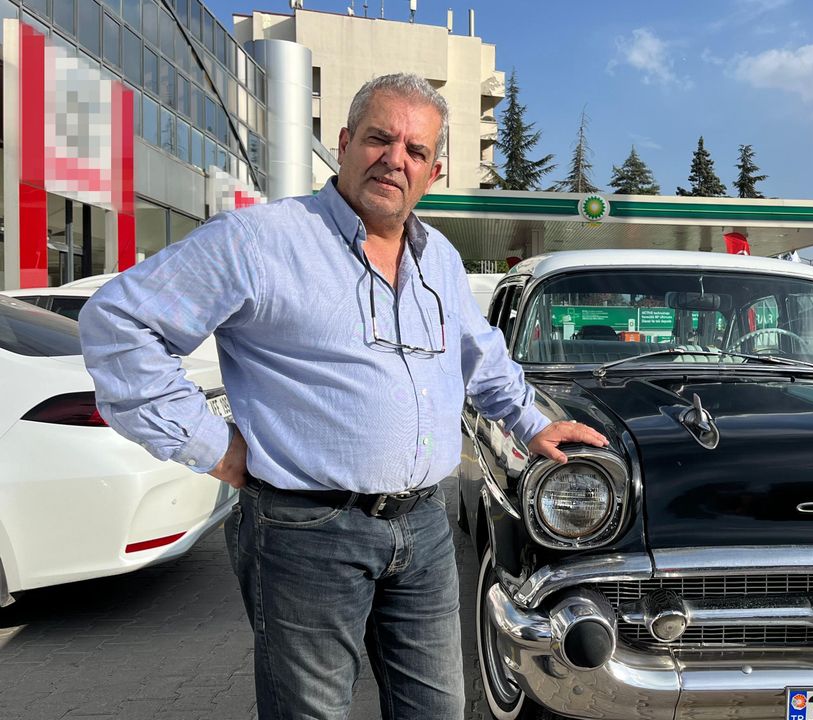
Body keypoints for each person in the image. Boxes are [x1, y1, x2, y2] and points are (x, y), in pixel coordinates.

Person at [79, 73, 606, 719]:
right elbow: (120, 324)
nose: (395, 159)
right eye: (380, 138)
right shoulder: (260, 241)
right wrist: (211, 445)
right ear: (345, 142)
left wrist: (529, 422)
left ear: (433, 172)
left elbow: (480, 354)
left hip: (423, 524)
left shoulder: (437, 257)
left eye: (416, 150)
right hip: (306, 529)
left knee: (437, 708)